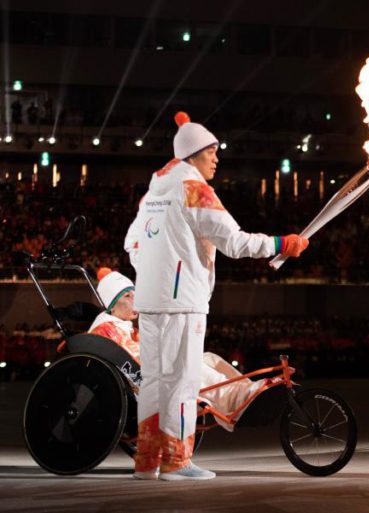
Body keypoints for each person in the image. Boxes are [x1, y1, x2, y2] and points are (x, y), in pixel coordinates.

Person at [124, 112, 308, 481]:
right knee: (182, 381)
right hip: (182, 303)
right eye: (212, 151)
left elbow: (132, 244)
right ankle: (177, 462)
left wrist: (155, 272)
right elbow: (235, 242)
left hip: (149, 300)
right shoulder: (194, 189)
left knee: (155, 380)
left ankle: (147, 461)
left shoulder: (153, 194)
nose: (216, 158)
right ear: (193, 154)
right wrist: (282, 244)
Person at [88, 268, 266, 433]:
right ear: (111, 305)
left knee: (209, 358)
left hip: (150, 373)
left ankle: (244, 391)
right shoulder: (106, 329)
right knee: (188, 363)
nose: (135, 300)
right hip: (144, 386)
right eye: (127, 296)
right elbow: (136, 362)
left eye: (135, 294)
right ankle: (237, 398)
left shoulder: (121, 325)